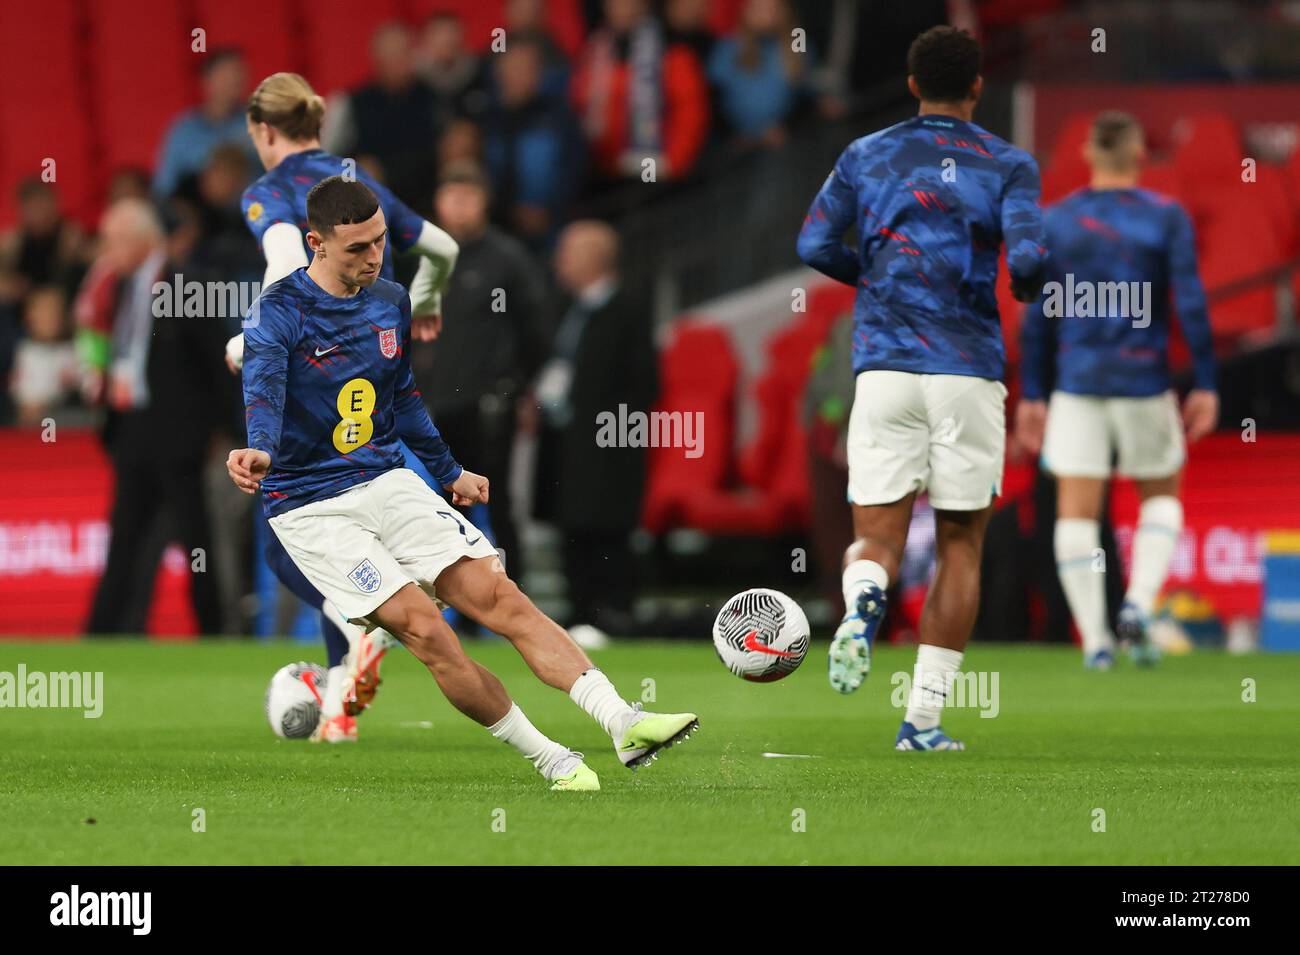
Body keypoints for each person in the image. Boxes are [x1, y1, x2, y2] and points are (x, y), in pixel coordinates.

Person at [227, 177, 698, 790]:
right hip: (313, 506)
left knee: (502, 598)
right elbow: (261, 391)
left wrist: (449, 472)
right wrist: (259, 451)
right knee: (427, 629)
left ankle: (623, 722)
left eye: (378, 243)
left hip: (385, 479)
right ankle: (551, 758)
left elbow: (402, 399)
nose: (373, 257)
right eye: (356, 249)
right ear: (314, 243)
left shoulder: (390, 300)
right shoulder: (277, 311)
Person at [796, 26, 1046, 751]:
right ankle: (923, 721)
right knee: (961, 544)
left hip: (883, 371)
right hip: (966, 371)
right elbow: (1028, 254)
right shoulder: (1007, 162)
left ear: (911, 85)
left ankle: (862, 603)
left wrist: (875, 277)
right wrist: (1026, 279)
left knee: (875, 536)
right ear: (977, 88)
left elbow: (812, 243)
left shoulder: (865, 154)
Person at [226, 71, 461, 742]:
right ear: (319, 126)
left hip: (303, 377)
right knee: (358, 516)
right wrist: (426, 303)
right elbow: (441, 247)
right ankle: (339, 700)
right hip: (369, 379)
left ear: (262, 131)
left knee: (286, 537)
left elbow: (279, 267)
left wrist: (251, 338)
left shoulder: (269, 194)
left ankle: (358, 622)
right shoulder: (359, 185)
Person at [1014, 111, 1219, 669]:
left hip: (1077, 385)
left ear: (1087, 153)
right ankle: (1136, 603)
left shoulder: (1056, 222)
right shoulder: (1165, 217)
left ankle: (1097, 640)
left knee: (1075, 515)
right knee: (1161, 497)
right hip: (1143, 382)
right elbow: (1191, 303)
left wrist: (1032, 392)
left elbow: (1035, 316)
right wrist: (1205, 380)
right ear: (1139, 158)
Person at [85, 199, 233, 636]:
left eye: (112, 241)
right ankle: (102, 634)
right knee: (124, 539)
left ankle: (213, 630)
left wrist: (231, 431)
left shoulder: (185, 284)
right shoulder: (117, 288)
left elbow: (218, 361)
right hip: (133, 432)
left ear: (139, 240)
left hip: (180, 437)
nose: (106, 250)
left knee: (195, 542)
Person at [412, 162, 550, 586]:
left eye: (468, 197)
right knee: (445, 505)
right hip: (436, 405)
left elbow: (538, 330)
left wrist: (515, 385)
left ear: (484, 203)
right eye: (451, 197)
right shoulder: (425, 260)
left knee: (499, 504)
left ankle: (516, 596)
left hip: (490, 405)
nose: (459, 207)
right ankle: (465, 608)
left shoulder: (507, 260)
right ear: (438, 203)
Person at [535, 220, 657, 644]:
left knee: (607, 527)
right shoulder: (569, 309)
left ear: (595, 259)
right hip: (568, 442)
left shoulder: (628, 310)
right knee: (572, 526)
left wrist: (611, 433)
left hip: (608, 448)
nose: (559, 261)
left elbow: (644, 384)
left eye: (569, 251)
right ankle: (581, 610)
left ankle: (614, 612)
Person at [153, 49, 258, 200]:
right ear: (206, 81)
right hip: (197, 214)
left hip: (249, 211)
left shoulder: (258, 125)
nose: (234, 81)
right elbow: (165, 187)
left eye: (239, 74)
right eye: (225, 75)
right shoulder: (184, 130)